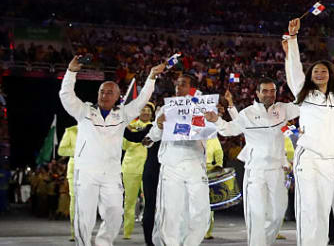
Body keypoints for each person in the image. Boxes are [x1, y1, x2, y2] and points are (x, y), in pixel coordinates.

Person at [59, 56, 162, 246]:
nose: (105, 95)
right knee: (85, 216)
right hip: (87, 172)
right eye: (102, 92)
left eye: (109, 92)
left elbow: (140, 101)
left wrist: (152, 78)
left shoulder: (122, 115)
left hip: (111, 174)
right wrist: (71, 73)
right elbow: (66, 96)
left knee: (115, 212)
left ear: (117, 97)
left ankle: (104, 243)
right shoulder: (84, 112)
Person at [283, 19, 334, 246]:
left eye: (324, 71)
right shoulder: (306, 96)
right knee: (308, 208)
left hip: (330, 161)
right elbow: (294, 72)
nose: (320, 74)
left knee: (323, 209)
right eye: (316, 71)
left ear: (332, 75)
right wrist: (293, 41)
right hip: (308, 158)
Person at [216, 80, 299, 246]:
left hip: (276, 170)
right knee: (256, 214)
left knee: (277, 214)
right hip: (255, 171)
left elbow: (303, 103)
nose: (269, 94)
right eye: (265, 91)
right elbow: (229, 129)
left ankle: (264, 242)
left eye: (272, 91)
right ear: (257, 93)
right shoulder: (248, 113)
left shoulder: (283, 109)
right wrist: (215, 120)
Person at [147, 73, 220, 246]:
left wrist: (214, 116)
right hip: (171, 165)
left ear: (191, 88)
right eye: (178, 84)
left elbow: (214, 127)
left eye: (184, 84)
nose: (179, 88)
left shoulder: (203, 108)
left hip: (195, 164)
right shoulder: (165, 109)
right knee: (170, 213)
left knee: (200, 212)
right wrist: (158, 126)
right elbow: (150, 139)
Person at [121, 103, 154, 240]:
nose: (146, 112)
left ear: (152, 114)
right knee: (129, 201)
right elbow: (123, 146)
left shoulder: (155, 127)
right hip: (131, 168)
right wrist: (131, 132)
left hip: (149, 169)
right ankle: (127, 232)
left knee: (151, 202)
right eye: (143, 110)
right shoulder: (131, 126)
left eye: (148, 111)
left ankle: (151, 232)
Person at [57, 123, 78, 240]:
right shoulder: (71, 131)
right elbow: (61, 150)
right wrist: (79, 150)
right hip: (74, 170)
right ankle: (74, 232)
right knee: (74, 201)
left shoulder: (97, 130)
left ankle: (85, 230)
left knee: (89, 203)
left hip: (92, 170)